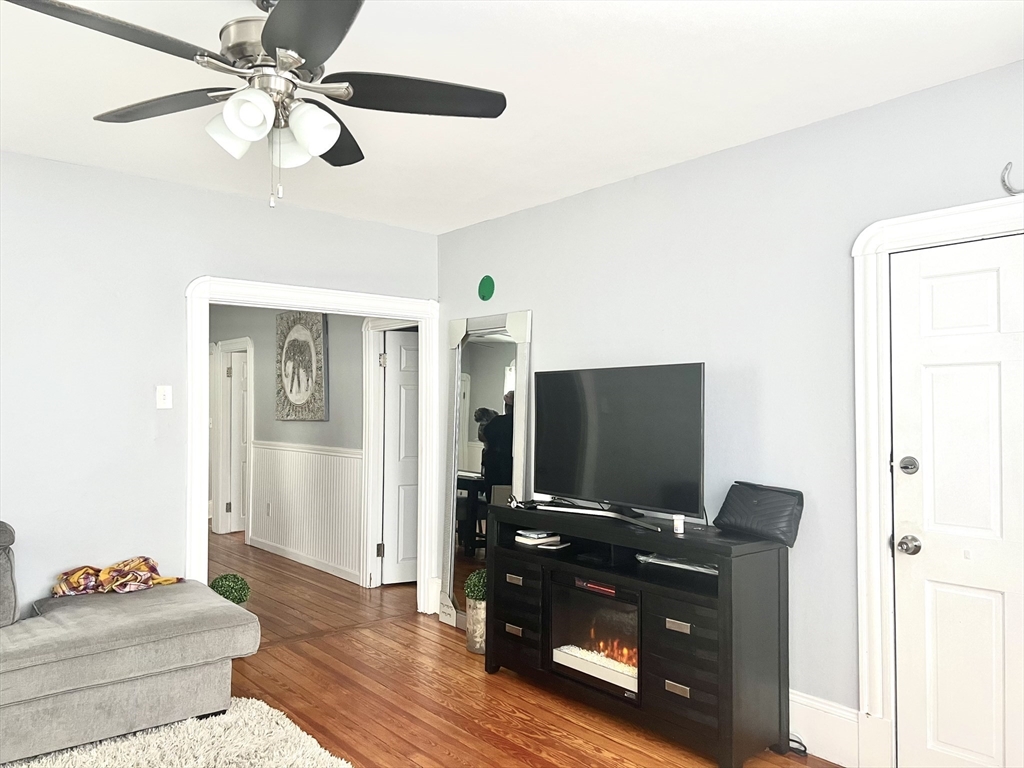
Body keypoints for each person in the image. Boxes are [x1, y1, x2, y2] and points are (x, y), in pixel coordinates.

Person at [481, 391, 514, 501]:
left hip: (494, 466)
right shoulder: (522, 423)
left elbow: (483, 436)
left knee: (492, 501)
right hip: (512, 468)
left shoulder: (498, 421)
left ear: (507, 407)